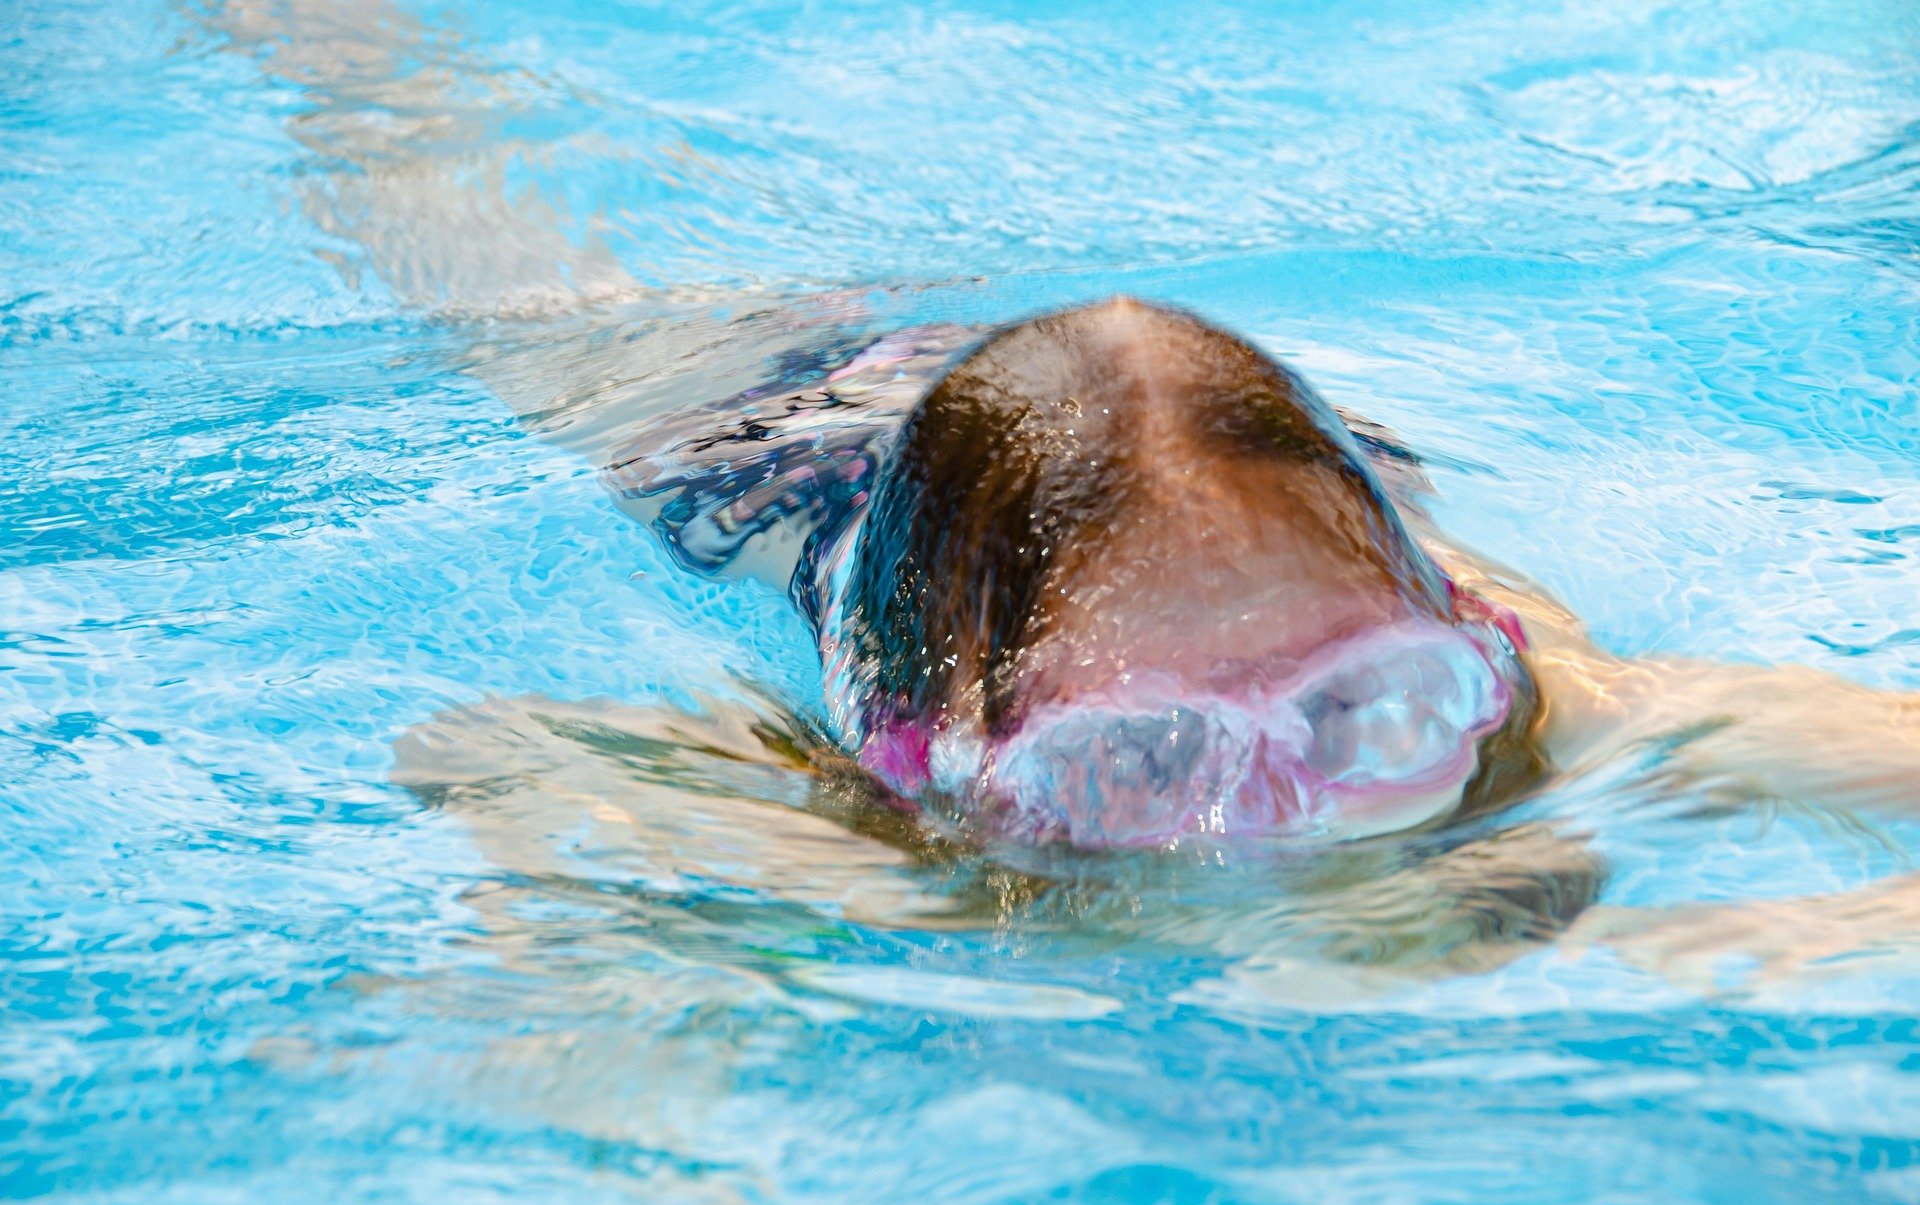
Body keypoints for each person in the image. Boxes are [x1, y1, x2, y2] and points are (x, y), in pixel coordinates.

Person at [216, 0, 1920, 985]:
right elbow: (490, 757)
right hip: (776, 440)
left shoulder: (1553, 692)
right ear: (944, 755)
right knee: (460, 231)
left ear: (1461, 655)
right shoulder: (878, 805)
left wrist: (1791, 936)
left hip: (1220, 482)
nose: (1288, 825)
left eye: (1364, 716)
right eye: (1137, 764)